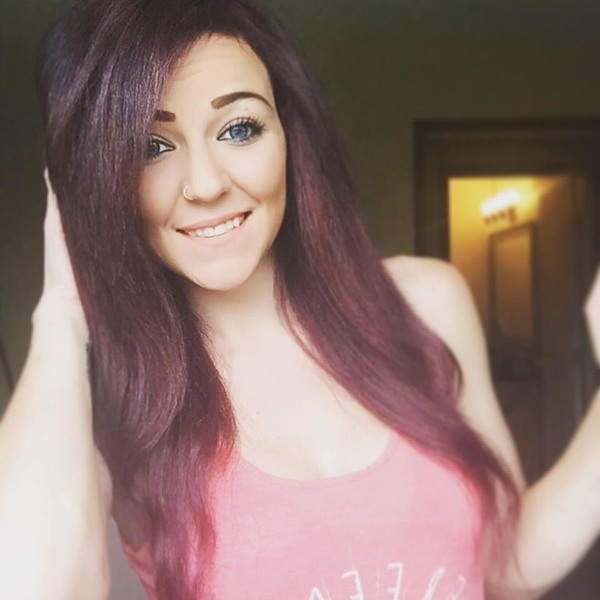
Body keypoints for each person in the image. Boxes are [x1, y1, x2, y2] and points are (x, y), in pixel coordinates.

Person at [0, 0, 599, 598]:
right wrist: (62, 309)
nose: (206, 184)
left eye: (239, 129)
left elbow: (506, 569)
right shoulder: (106, 398)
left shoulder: (424, 302)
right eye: (149, 147)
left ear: (288, 133)